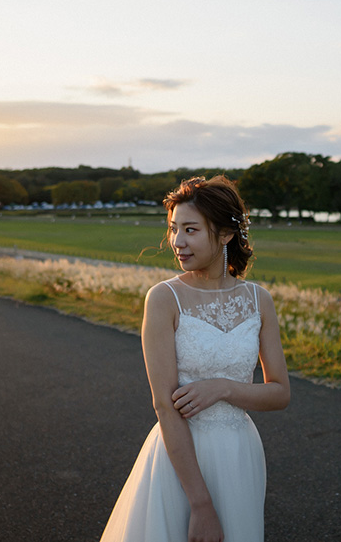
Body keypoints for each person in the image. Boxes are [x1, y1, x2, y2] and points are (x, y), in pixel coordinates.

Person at [101, 175, 290, 542]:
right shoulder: (163, 299)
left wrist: (222, 389)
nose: (177, 242)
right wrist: (201, 505)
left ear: (225, 234)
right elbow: (164, 404)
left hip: (240, 453)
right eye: (173, 229)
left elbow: (280, 393)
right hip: (179, 457)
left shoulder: (258, 300)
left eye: (190, 230)